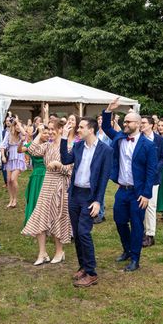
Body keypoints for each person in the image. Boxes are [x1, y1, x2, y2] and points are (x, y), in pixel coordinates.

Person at [102, 97, 157, 272]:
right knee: (119, 221)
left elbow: (151, 171)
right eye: (124, 121)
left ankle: (135, 258)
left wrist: (147, 194)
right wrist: (109, 110)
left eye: (128, 121)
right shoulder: (119, 137)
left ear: (138, 124)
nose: (125, 123)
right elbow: (105, 127)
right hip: (122, 190)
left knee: (137, 225)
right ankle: (126, 249)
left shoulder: (148, 145)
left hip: (138, 192)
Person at [59, 117, 112, 287]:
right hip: (75, 194)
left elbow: (104, 178)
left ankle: (91, 272)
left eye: (81, 127)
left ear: (91, 130)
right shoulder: (79, 145)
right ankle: (82, 266)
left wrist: (98, 201)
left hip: (90, 196)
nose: (78, 130)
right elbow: (66, 160)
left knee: (83, 232)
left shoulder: (105, 150)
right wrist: (63, 137)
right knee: (77, 232)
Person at [22, 119, 73, 265]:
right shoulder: (47, 145)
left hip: (60, 184)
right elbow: (31, 149)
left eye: (53, 129)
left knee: (57, 217)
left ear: (61, 130)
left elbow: (71, 171)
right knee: (41, 215)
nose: (50, 132)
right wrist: (39, 132)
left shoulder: (68, 147)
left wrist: (59, 166)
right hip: (46, 183)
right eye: (48, 129)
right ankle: (42, 252)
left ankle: (59, 251)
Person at [141, 116, 163, 247]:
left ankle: (150, 234)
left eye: (144, 123)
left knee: (151, 206)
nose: (141, 125)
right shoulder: (138, 138)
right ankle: (140, 232)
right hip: (139, 177)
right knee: (139, 205)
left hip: (153, 177)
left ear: (152, 125)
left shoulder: (160, 140)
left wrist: (155, 169)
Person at [19, 123, 48, 225]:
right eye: (44, 133)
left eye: (48, 133)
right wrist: (21, 142)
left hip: (48, 174)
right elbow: (19, 150)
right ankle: (34, 222)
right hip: (37, 174)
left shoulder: (49, 145)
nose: (47, 135)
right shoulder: (32, 145)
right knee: (35, 197)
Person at [0, 118, 27, 208]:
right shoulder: (8, 134)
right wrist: (3, 156)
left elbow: (24, 134)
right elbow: (3, 146)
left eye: (19, 126)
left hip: (19, 159)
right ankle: (11, 199)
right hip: (10, 159)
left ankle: (15, 199)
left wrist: (19, 124)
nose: (18, 127)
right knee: (8, 180)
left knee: (13, 179)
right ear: (13, 126)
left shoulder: (21, 136)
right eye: (16, 125)